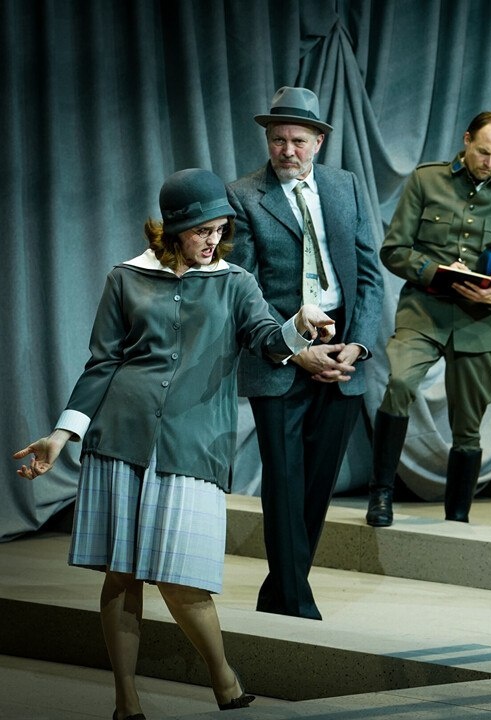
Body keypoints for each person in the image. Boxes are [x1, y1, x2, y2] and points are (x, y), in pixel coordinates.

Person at [12, 168, 335, 719]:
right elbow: (103, 363)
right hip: (121, 438)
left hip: (193, 443)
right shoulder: (126, 278)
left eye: (221, 229)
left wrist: (298, 326)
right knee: (121, 576)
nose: (214, 239)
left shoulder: (235, 282)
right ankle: (126, 700)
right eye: (203, 230)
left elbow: (265, 340)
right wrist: (62, 436)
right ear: (174, 228)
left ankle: (223, 678)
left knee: (182, 578)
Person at [227, 86, 385, 619]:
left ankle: (281, 592)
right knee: (284, 481)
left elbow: (368, 275)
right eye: (278, 140)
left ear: (318, 141)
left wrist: (356, 346)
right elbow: (243, 289)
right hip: (279, 353)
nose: (287, 150)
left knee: (317, 485)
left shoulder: (345, 185)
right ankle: (295, 601)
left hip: (342, 350)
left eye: (298, 140)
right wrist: (295, 350)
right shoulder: (244, 195)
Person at [367, 111, 491, 526]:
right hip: (424, 310)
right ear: (466, 140)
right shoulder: (427, 180)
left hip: (477, 321)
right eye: (483, 152)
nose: (489, 163)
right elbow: (394, 250)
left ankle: (458, 515)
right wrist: (433, 271)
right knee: (401, 384)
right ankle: (381, 495)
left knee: (469, 423)